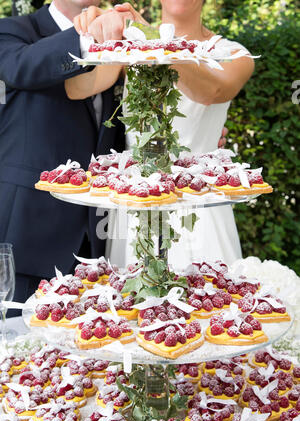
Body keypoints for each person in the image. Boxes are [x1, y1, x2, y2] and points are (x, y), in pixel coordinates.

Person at [66, 0, 253, 270]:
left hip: (200, 201)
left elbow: (211, 93)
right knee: (130, 302)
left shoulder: (234, 53)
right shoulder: (132, 43)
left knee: (210, 300)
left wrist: (152, 39)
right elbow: (77, 88)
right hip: (136, 200)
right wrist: (94, 34)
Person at [0, 0, 127, 316]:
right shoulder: (12, 32)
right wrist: (89, 37)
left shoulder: (122, 43)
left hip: (97, 249)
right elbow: (24, 66)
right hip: (27, 245)